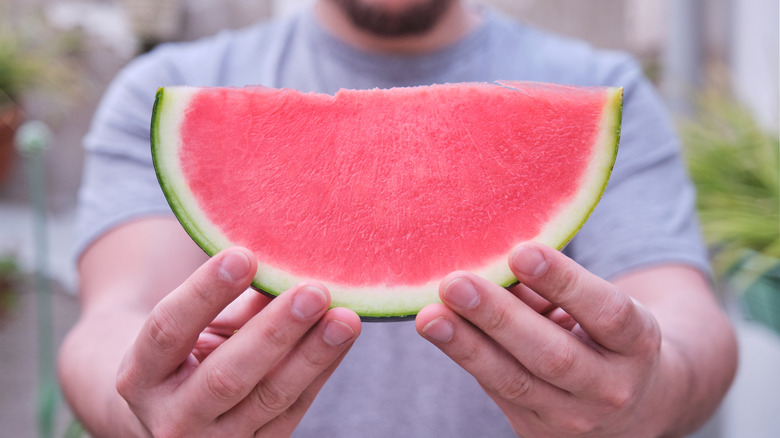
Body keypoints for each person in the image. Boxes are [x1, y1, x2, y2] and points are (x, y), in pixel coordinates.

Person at [58, 0, 738, 436]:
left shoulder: (604, 91)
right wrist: (140, 409)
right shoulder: (164, 94)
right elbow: (111, 320)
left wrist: (654, 390)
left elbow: (687, 319)